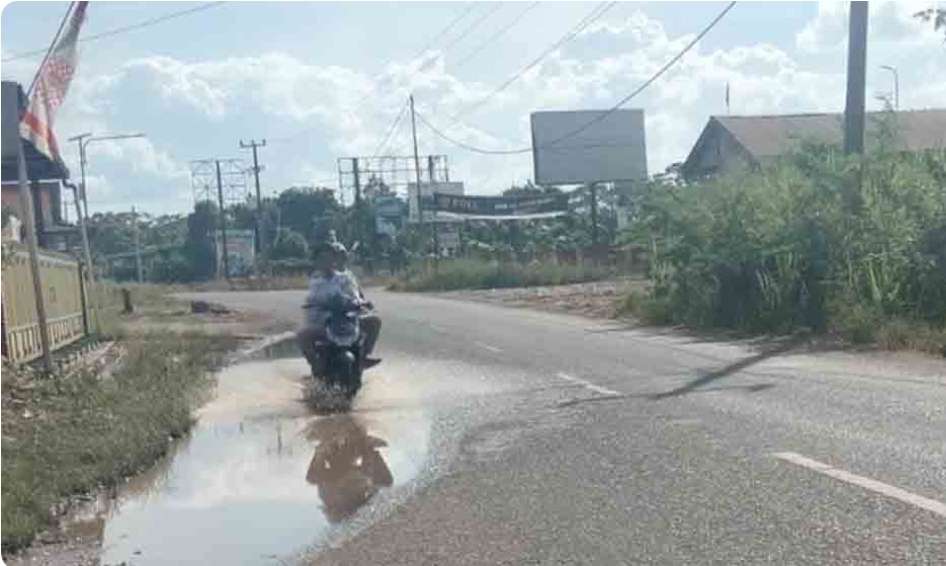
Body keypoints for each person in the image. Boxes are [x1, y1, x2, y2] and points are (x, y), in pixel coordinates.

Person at [297, 235, 381, 372]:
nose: (327, 261)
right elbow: (313, 298)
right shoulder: (316, 281)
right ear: (317, 262)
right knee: (302, 336)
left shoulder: (345, 278)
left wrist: (361, 302)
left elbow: (354, 294)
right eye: (323, 258)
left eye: (330, 258)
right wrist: (317, 304)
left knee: (374, 321)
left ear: (334, 260)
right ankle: (316, 365)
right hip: (324, 322)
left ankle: (364, 356)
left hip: (346, 319)